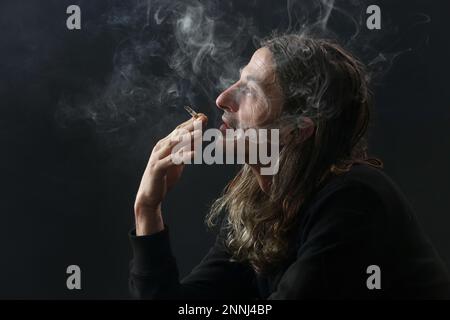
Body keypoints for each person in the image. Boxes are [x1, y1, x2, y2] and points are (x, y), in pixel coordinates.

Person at [128, 34, 450, 299]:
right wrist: (147, 208)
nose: (223, 99)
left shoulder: (354, 201)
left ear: (296, 129)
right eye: (237, 82)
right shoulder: (259, 203)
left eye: (249, 90)